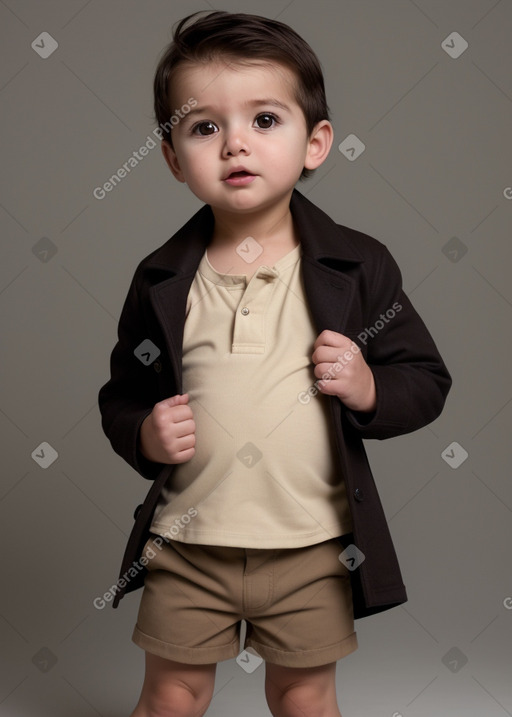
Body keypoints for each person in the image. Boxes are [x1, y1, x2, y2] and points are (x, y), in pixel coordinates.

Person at [98, 10, 451, 717]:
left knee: (304, 695)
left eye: (264, 120)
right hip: (187, 542)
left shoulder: (357, 265)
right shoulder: (161, 277)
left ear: (315, 142)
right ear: (171, 158)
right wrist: (143, 432)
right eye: (203, 127)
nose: (235, 143)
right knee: (170, 693)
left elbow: (426, 379)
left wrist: (367, 384)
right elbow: (123, 395)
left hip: (312, 547)